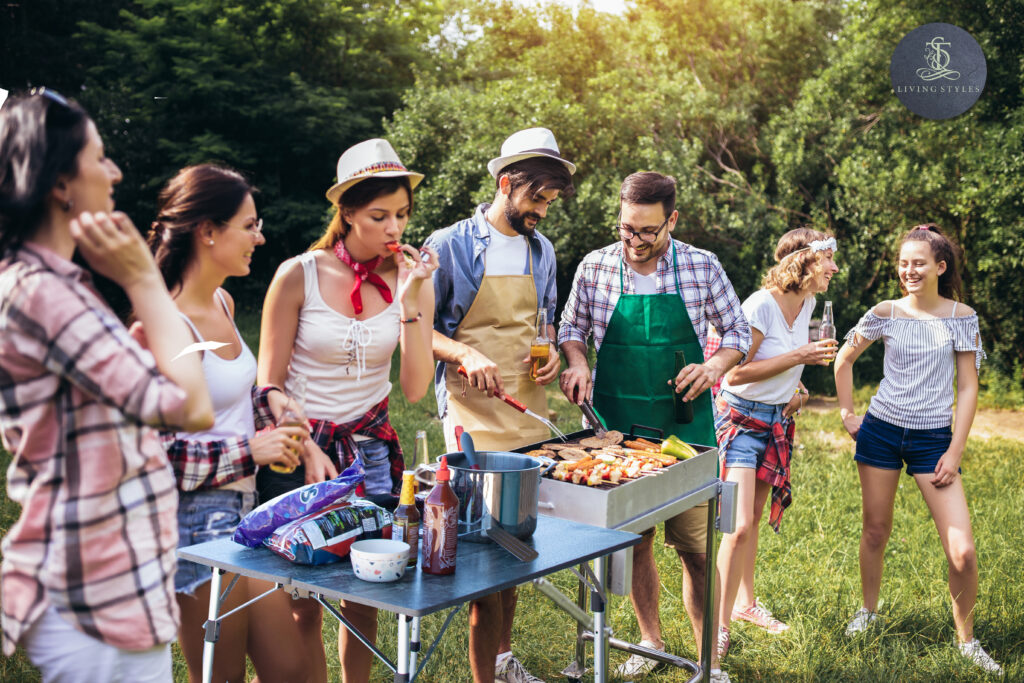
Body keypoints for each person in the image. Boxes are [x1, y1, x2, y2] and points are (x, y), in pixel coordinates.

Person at [0, 89, 213, 680]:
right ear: (60, 183)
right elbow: (191, 406)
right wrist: (144, 279)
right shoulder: (46, 294)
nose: (115, 171)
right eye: (100, 157)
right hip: (91, 591)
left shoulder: (52, 287)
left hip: (107, 579)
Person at [559, 171, 749, 682]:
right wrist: (575, 361)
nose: (634, 241)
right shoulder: (595, 266)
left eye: (647, 231)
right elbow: (571, 327)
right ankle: (649, 641)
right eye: (626, 229)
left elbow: (737, 332)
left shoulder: (701, 266)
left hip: (684, 430)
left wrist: (713, 368)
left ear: (672, 220)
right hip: (616, 433)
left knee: (696, 550)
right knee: (636, 541)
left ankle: (706, 661)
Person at [257, 138, 436, 683]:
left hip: (370, 454)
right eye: (379, 215)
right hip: (301, 455)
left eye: (402, 215)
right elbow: (267, 381)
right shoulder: (298, 274)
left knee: (368, 589)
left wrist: (412, 303)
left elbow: (413, 388)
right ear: (348, 212)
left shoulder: (412, 281)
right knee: (302, 598)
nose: (394, 229)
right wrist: (300, 437)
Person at [133, 164, 308, 683]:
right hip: (192, 522)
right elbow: (156, 454)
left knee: (291, 670)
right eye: (249, 225)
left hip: (243, 509)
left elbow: (229, 394)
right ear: (208, 231)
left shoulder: (223, 302)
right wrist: (251, 450)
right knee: (221, 676)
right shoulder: (163, 325)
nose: (261, 236)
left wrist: (273, 406)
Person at [425, 127, 573, 683]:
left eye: (550, 203)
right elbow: (414, 331)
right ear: (506, 183)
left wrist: (553, 355)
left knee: (517, 546)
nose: (542, 212)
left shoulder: (543, 249)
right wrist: (463, 351)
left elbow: (546, 323)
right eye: (537, 199)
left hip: (525, 407)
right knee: (485, 556)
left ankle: (504, 660)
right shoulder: (450, 244)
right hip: (470, 416)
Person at [835, 224, 1002, 675]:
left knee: (963, 551)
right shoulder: (885, 311)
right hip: (881, 431)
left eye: (919, 262)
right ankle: (868, 612)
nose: (909, 270)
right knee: (875, 530)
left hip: (933, 441)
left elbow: (968, 387)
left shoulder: (961, 316)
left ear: (939, 267)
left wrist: (955, 449)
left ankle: (968, 641)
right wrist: (848, 414)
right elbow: (843, 358)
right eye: (904, 262)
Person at [713, 228, 838, 658]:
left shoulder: (809, 304)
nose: (834, 269)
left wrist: (798, 391)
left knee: (752, 517)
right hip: (741, 421)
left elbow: (786, 366)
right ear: (803, 262)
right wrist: (799, 358)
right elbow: (735, 374)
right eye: (828, 260)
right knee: (739, 524)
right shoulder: (759, 306)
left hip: (776, 421)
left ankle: (746, 604)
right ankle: (718, 625)